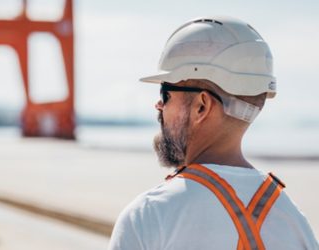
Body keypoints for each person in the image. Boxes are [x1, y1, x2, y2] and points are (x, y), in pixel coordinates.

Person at [108, 16, 319, 250]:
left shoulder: (149, 216)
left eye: (165, 93)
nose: (159, 105)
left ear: (202, 106)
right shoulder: (294, 222)